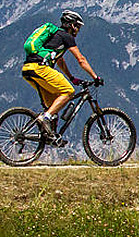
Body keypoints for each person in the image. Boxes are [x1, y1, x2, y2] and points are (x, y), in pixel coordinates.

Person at [21, 10, 102, 140]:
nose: (78, 30)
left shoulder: (56, 37)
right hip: (40, 68)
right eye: (78, 26)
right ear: (72, 25)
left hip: (28, 69)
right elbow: (81, 59)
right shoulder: (66, 37)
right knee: (69, 92)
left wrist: (71, 77)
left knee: (54, 105)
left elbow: (60, 60)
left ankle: (49, 136)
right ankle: (45, 118)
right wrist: (95, 77)